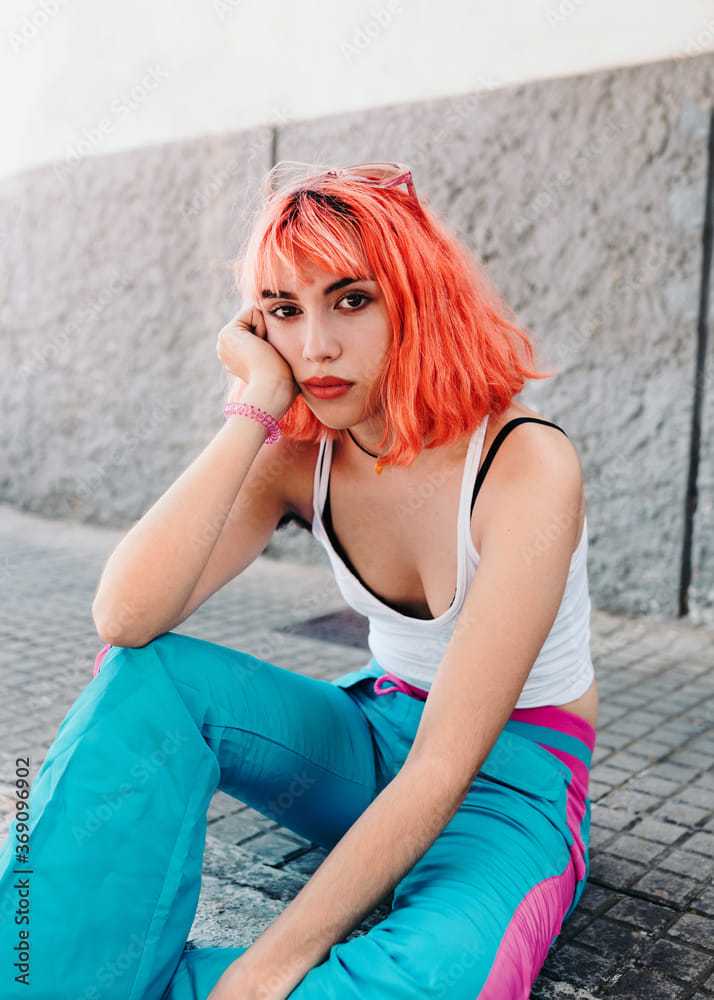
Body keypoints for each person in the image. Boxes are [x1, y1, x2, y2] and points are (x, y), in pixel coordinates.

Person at [0, 161, 598, 999]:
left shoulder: (526, 462)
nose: (315, 345)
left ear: (417, 297)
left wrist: (272, 961)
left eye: (351, 300)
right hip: (373, 735)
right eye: (284, 311)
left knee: (442, 982)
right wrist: (256, 401)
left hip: (510, 775)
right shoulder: (301, 451)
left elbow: (441, 770)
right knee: (147, 678)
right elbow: (125, 615)